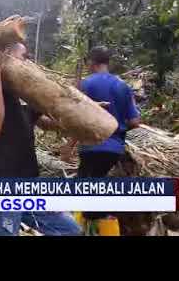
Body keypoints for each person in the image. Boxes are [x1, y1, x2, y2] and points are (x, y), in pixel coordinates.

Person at [0, 42, 82, 236]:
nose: (28, 62)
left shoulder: (23, 92)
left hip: (28, 183)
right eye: (23, 56)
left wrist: (79, 118)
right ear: (4, 56)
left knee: (69, 229)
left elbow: (43, 121)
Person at [62, 46, 141, 235]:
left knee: (87, 200)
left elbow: (80, 120)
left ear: (92, 62)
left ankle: (88, 227)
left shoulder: (84, 85)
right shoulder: (122, 86)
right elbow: (135, 122)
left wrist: (68, 145)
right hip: (113, 150)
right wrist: (116, 130)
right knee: (94, 198)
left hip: (90, 148)